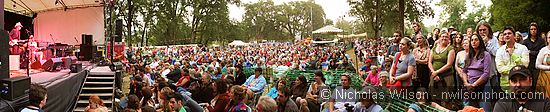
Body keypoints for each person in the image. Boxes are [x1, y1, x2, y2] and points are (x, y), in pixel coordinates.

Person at [428, 30, 457, 109]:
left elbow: (449, 65)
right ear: (439, 38)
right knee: (435, 98)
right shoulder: (434, 48)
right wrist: (433, 73)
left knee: (447, 99)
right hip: (434, 76)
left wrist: (436, 72)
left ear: (449, 39)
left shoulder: (450, 49)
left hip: (446, 77)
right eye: (442, 36)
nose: (444, 38)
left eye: (446, 37)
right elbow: (429, 62)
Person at [495, 26, 529, 92]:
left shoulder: (523, 48)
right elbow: (500, 69)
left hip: (521, 83)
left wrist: (513, 55)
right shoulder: (499, 51)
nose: (507, 35)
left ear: (514, 36)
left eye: (509, 33)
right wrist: (516, 69)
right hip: (506, 86)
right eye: (505, 34)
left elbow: (525, 65)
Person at [462, 34, 491, 109]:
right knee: (468, 108)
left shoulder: (486, 54)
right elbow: (464, 71)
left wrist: (475, 84)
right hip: (469, 85)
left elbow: (486, 73)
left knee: (484, 108)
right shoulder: (468, 55)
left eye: (476, 40)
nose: (473, 42)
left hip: (482, 84)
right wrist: (466, 83)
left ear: (480, 42)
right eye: (472, 40)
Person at [522, 22, 545, 87]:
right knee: (528, 83)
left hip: (538, 65)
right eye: (531, 29)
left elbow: (542, 53)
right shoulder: (525, 41)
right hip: (528, 65)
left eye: (535, 29)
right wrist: (535, 52)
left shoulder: (541, 41)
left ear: (537, 30)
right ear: (529, 30)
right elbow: (524, 53)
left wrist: (530, 52)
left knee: (536, 83)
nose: (533, 31)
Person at [535, 31, 550, 98]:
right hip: (545, 78)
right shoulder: (543, 50)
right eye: (549, 37)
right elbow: (537, 65)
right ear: (547, 39)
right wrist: (548, 68)